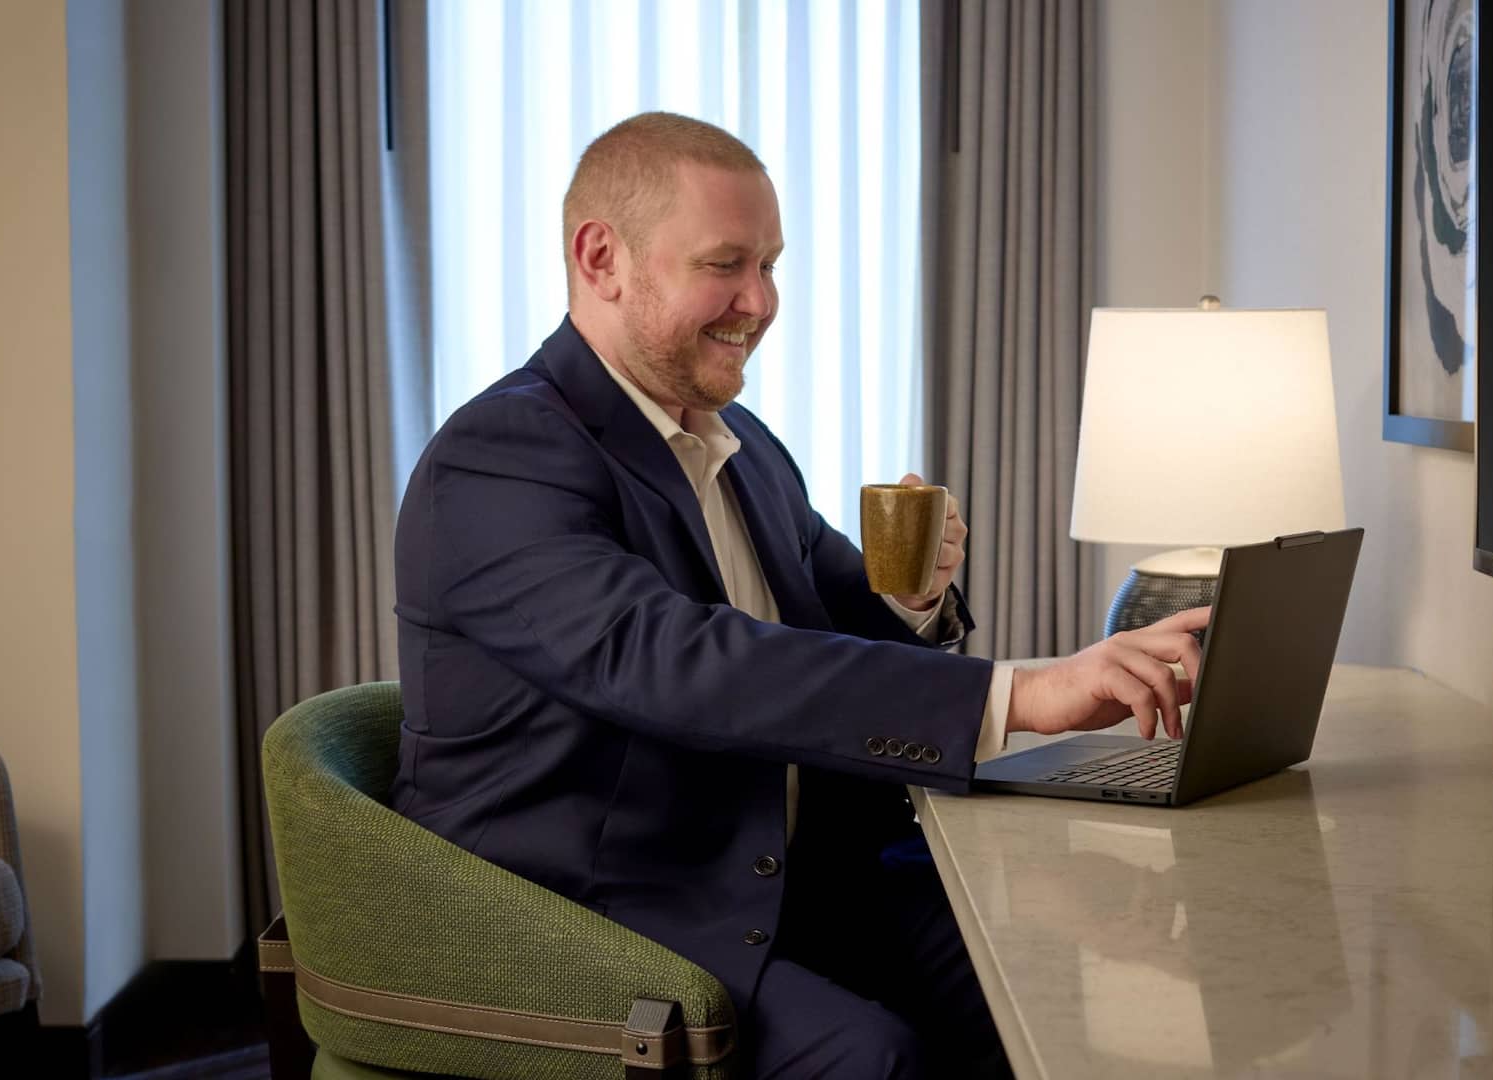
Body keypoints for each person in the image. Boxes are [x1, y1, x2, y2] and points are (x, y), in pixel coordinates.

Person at [393, 111, 1207, 1078]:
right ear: (602, 257)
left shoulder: (745, 448)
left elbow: (835, 621)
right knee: (880, 1058)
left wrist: (914, 600)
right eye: (726, 263)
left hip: (783, 877)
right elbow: (675, 663)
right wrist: (1022, 695)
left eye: (771, 264)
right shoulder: (501, 457)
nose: (760, 300)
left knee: (1034, 978)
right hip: (598, 917)